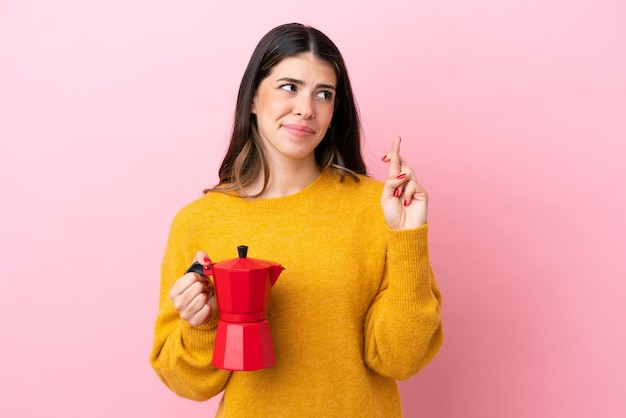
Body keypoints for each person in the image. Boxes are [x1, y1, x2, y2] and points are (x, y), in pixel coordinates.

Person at [150, 22, 443, 417]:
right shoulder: (198, 222)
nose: (307, 108)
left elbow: (400, 360)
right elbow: (188, 385)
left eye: (323, 94)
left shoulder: (379, 208)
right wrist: (201, 324)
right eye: (289, 87)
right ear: (253, 97)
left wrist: (408, 239)